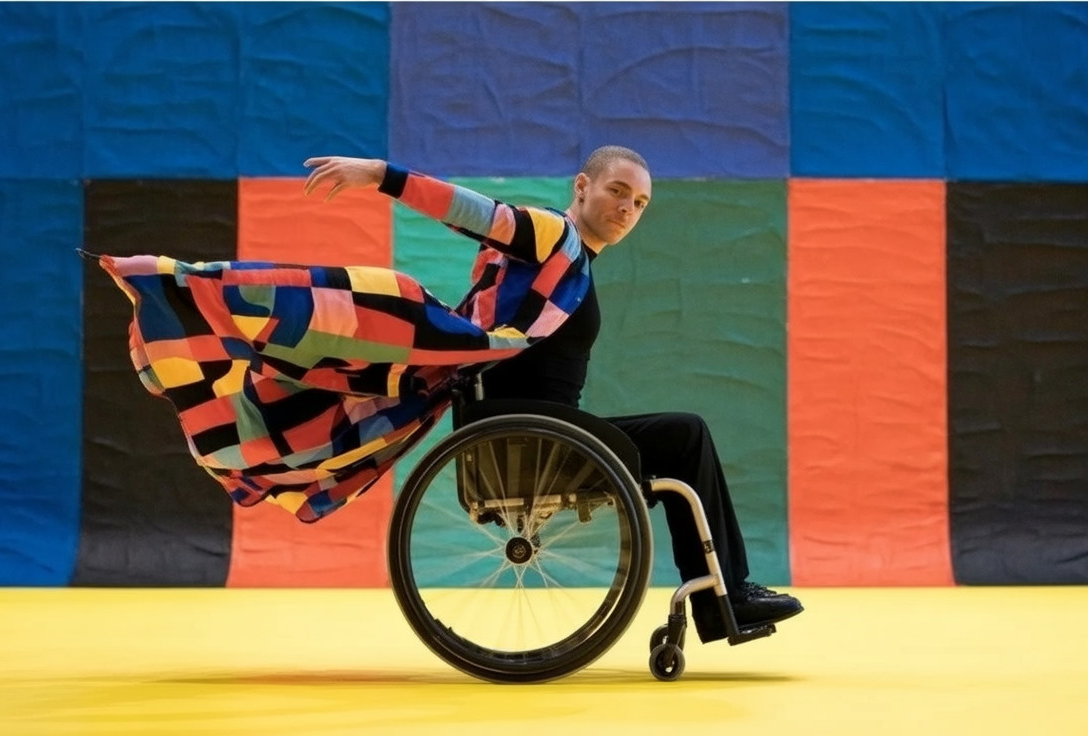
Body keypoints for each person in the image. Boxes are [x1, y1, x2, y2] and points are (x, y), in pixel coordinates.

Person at [303, 147, 803, 643]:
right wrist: (378, 174)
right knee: (685, 434)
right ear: (582, 188)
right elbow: (479, 214)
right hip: (537, 436)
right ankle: (727, 597)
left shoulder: (573, 264)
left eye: (641, 203)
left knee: (680, 446)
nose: (628, 208)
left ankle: (721, 601)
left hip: (544, 433)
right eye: (618, 191)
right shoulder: (553, 237)